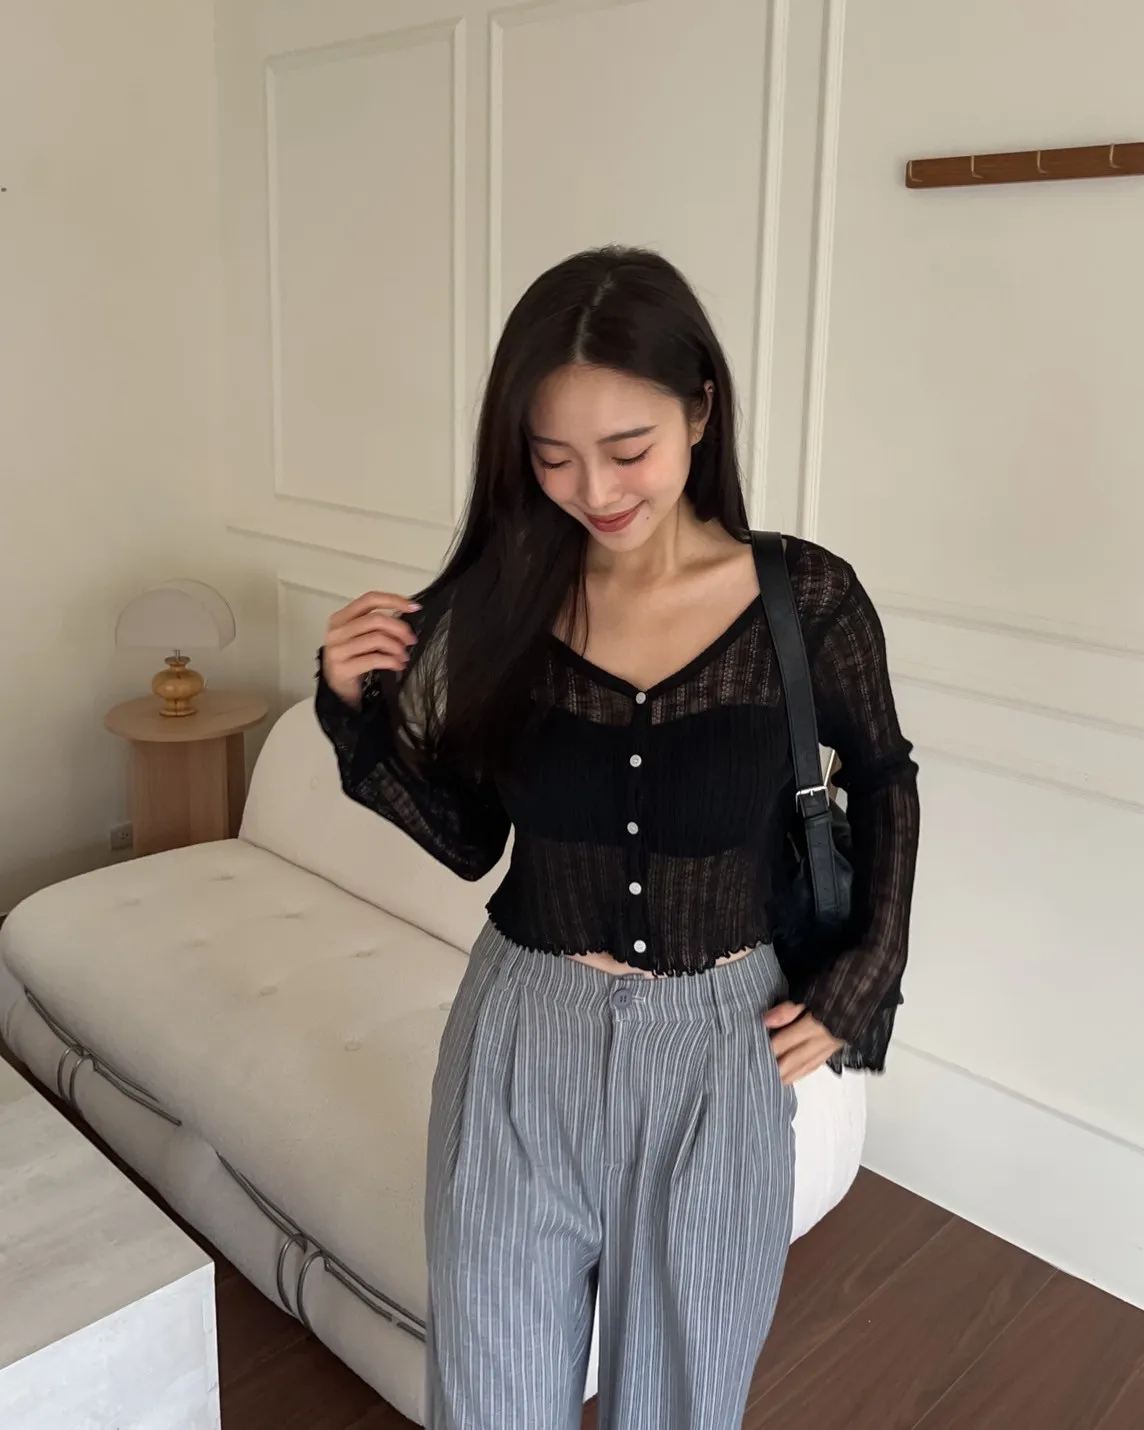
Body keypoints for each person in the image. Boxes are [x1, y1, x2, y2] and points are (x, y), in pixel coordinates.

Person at [315, 247, 920, 1430]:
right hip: (518, 1037)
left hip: (720, 1047)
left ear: (699, 408)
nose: (592, 487)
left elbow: (885, 776)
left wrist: (865, 972)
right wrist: (356, 715)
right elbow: (470, 837)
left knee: (679, 1405)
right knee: (491, 1401)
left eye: (626, 447)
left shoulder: (805, 601)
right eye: (552, 455)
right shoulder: (507, 603)